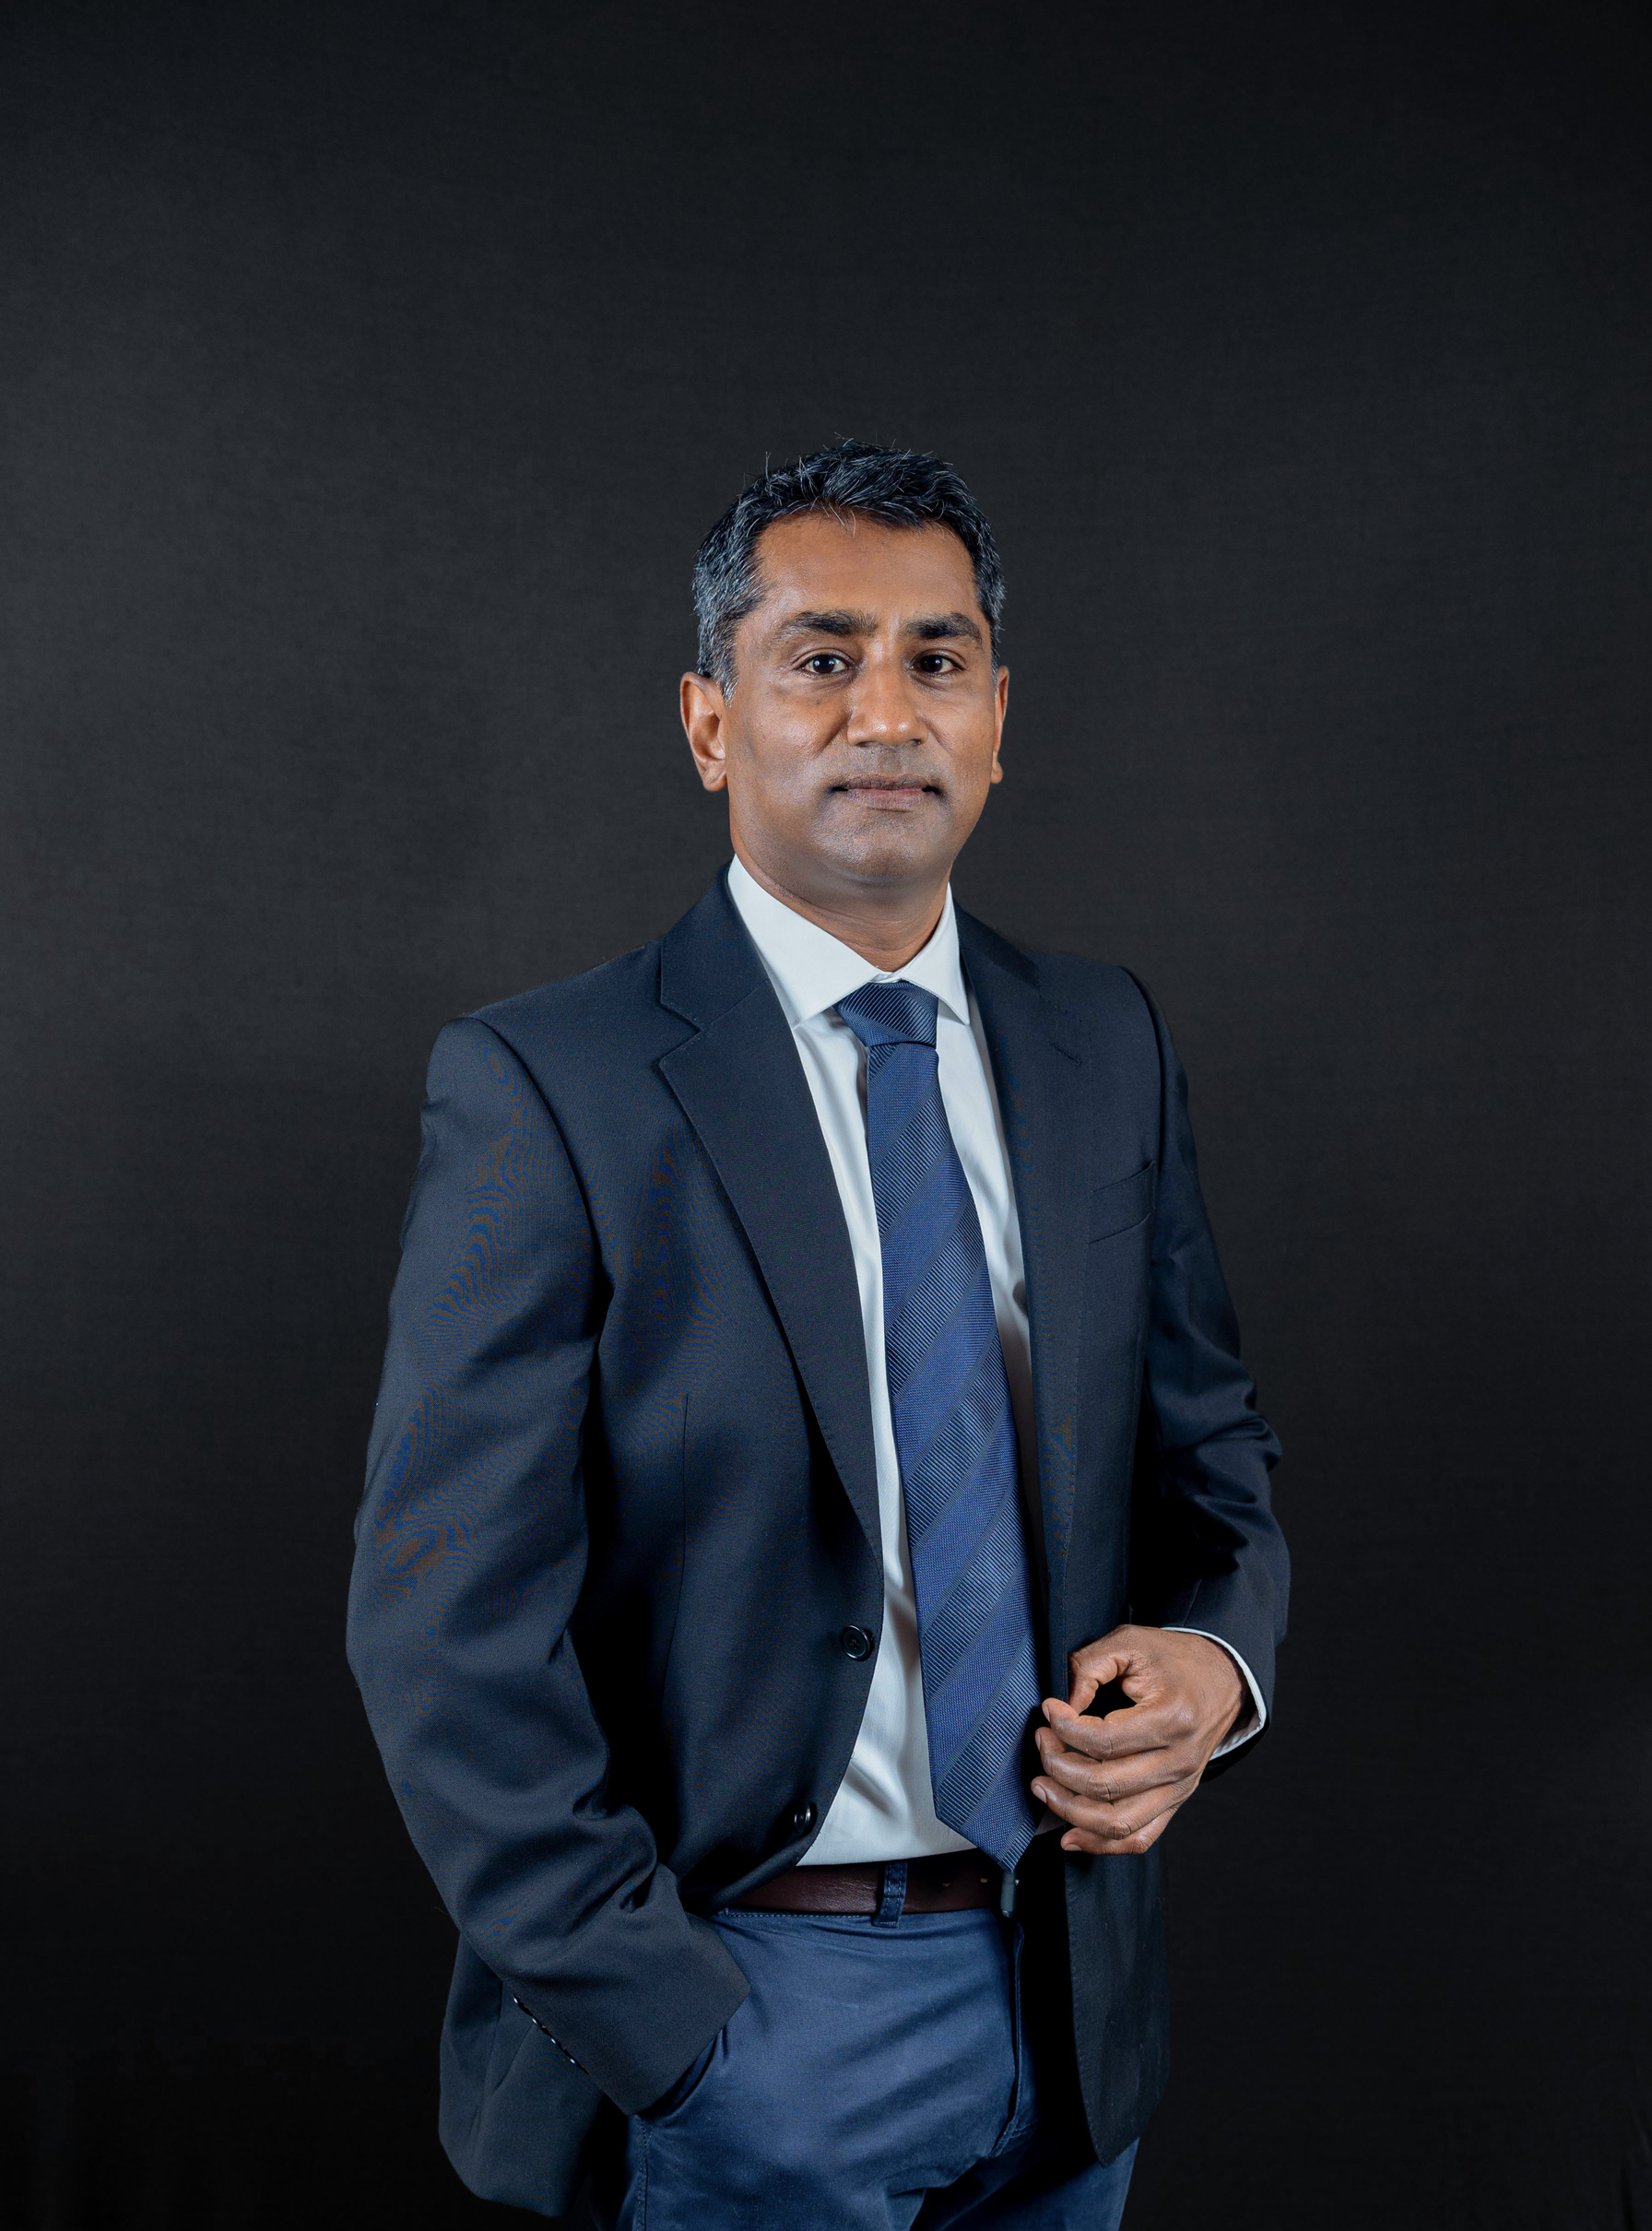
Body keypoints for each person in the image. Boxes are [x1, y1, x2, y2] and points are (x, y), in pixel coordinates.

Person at [347, 441, 1288, 2229]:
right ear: (711, 722)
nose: (886, 712)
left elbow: (1212, 1452)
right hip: (745, 2013)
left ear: (997, 721)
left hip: (1071, 2003)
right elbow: (441, 1624)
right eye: (821, 657)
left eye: (938, 660)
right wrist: (677, 2029)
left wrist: (1214, 1663)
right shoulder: (552, 1084)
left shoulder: (1106, 1046)